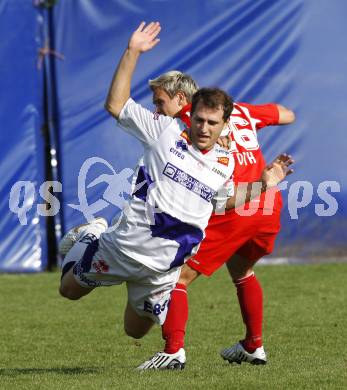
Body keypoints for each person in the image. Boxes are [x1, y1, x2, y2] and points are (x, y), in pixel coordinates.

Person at [58, 21, 294, 370]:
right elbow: (116, 104)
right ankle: (93, 236)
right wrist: (133, 51)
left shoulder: (224, 163)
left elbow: (223, 202)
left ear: (223, 124)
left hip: (160, 271)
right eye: (199, 120)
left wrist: (265, 182)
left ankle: (180, 341)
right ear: (191, 114)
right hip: (123, 248)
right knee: (68, 291)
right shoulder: (165, 132)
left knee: (134, 331)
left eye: (212, 123)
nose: (203, 128)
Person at [137, 70, 295, 369]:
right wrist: (245, 122)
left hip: (238, 204)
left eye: (160, 103)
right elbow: (288, 115)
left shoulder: (192, 116)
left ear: (182, 99)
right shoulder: (241, 111)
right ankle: (253, 345)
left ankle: (173, 351)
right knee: (242, 269)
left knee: (176, 277)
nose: (157, 111)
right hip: (268, 203)